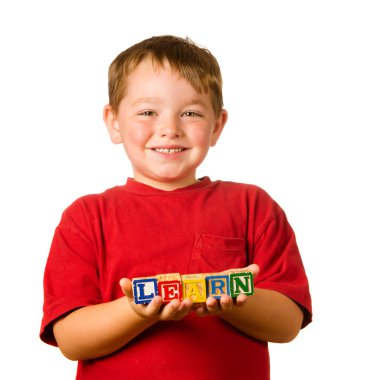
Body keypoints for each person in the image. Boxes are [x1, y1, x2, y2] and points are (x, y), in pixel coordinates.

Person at [40, 35, 312, 380]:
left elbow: (287, 324)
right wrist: (138, 311)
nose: (169, 129)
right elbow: (71, 340)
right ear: (114, 122)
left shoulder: (253, 206)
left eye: (191, 113)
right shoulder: (86, 217)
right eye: (148, 112)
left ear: (217, 125)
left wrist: (235, 297)